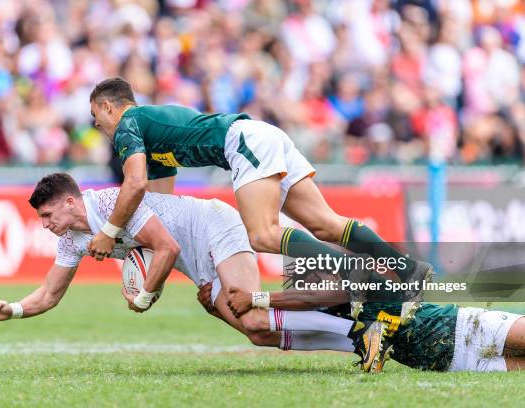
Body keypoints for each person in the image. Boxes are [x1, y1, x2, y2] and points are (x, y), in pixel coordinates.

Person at [87, 76, 433, 322]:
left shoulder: (129, 122)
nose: (98, 126)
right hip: (262, 135)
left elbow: (133, 184)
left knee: (263, 234)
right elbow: (161, 210)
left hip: (243, 143)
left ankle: (362, 277)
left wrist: (109, 231)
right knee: (325, 225)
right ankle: (410, 270)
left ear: (107, 107)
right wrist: (152, 265)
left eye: (96, 118)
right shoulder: (150, 138)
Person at [0, 173, 388, 372]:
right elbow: (48, 294)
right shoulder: (72, 239)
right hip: (197, 259)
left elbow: (166, 247)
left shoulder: (108, 205)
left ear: (69, 201)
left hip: (213, 225)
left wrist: (144, 296)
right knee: (258, 333)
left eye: (48, 215)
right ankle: (359, 341)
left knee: (256, 314)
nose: (45, 225)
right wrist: (10, 309)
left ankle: (363, 319)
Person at [219, 284, 525, 372]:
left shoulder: (360, 285)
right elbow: (261, 333)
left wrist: (256, 297)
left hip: (467, 326)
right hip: (457, 364)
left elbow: (313, 295)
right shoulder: (347, 333)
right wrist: (221, 308)